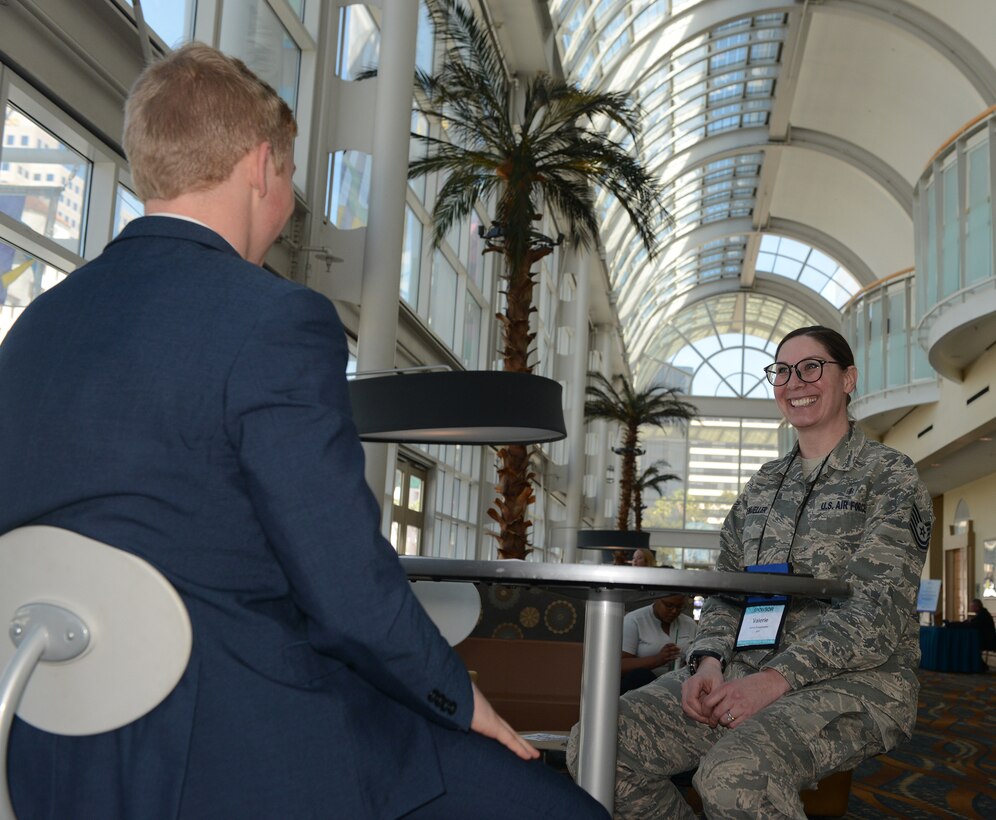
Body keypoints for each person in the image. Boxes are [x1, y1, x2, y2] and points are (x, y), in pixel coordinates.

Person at [0, 44, 607, 820]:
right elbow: (345, 588)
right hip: (243, 747)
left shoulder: (34, 330)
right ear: (261, 166)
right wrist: (456, 696)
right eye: (291, 177)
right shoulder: (273, 319)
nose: (287, 200)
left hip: (56, 753)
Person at [569, 326, 933, 819]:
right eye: (781, 371)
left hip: (857, 682)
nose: (794, 381)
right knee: (597, 742)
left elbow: (878, 613)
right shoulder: (763, 487)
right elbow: (725, 590)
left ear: (848, 379)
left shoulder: (889, 476)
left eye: (811, 367)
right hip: (740, 673)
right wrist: (708, 662)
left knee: (734, 774)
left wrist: (776, 679)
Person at [620, 593, 698, 693]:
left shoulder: (689, 624)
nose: (674, 611)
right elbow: (620, 666)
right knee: (640, 675)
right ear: (655, 599)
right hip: (642, 686)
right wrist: (657, 659)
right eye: (668, 605)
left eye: (679, 607)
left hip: (678, 686)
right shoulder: (634, 620)